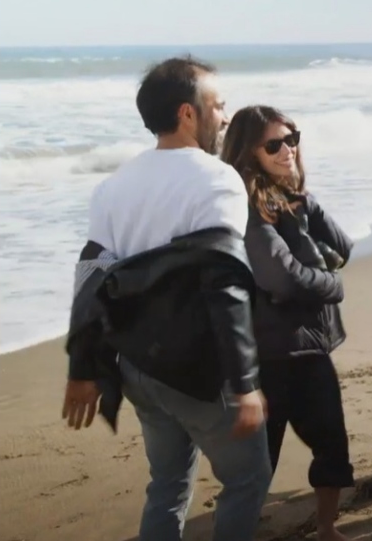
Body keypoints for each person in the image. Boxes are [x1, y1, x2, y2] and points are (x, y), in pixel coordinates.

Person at [61, 56, 272, 541]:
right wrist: (244, 383)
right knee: (247, 478)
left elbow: (90, 276)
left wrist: (82, 368)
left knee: (168, 483)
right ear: (187, 113)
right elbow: (224, 282)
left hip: (139, 367)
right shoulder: (216, 180)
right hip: (201, 370)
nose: (224, 116)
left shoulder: (114, 186)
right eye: (218, 106)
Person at [221, 106, 356, 541]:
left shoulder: (291, 201)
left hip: (308, 346)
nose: (287, 151)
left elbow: (344, 246)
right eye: (274, 144)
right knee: (259, 463)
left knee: (332, 445)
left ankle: (326, 529)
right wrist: (331, 286)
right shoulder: (249, 208)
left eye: (292, 139)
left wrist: (308, 204)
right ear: (248, 152)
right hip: (273, 353)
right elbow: (280, 276)